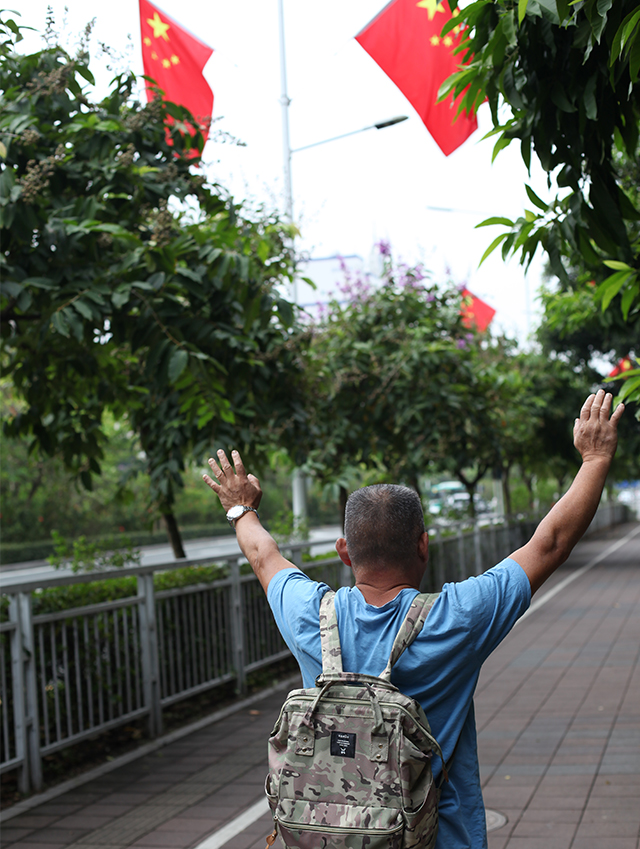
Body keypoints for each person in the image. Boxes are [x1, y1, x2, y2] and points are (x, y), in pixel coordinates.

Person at [202, 389, 624, 849]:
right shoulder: (457, 617)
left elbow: (264, 556)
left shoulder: (310, 613)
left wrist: (240, 506)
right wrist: (596, 457)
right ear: (423, 545)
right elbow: (551, 544)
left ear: (344, 552)